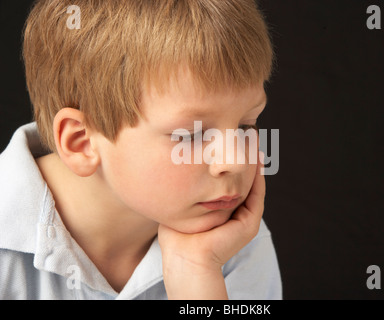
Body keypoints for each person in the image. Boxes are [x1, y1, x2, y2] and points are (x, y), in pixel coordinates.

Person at [0, 0, 282, 299]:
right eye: (191, 135)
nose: (237, 160)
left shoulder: (231, 240)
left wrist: (195, 272)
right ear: (81, 142)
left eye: (245, 126)